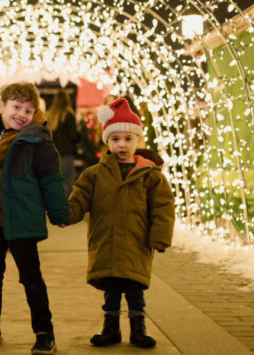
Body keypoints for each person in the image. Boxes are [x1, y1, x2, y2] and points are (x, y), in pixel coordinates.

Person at [0, 82, 69, 354]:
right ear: (1, 106)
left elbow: (51, 179)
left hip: (22, 221)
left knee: (31, 278)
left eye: (28, 110)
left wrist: (59, 212)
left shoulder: (37, 139)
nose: (22, 114)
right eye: (16, 107)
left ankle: (44, 332)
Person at [66, 98, 174, 348]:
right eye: (115, 139)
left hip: (137, 243)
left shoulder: (151, 176)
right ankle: (110, 328)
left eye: (128, 139)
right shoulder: (95, 174)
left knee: (135, 291)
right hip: (107, 242)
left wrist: (160, 236)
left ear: (138, 141)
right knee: (112, 291)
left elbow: (163, 207)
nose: (122, 145)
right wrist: (66, 215)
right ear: (107, 141)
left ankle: (139, 329)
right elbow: (79, 198)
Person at [45, 90, 80, 196]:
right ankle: (66, 209)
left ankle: (54, 207)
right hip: (67, 154)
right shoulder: (68, 115)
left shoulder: (49, 115)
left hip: (52, 154)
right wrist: (80, 135)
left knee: (55, 182)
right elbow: (73, 135)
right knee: (68, 183)